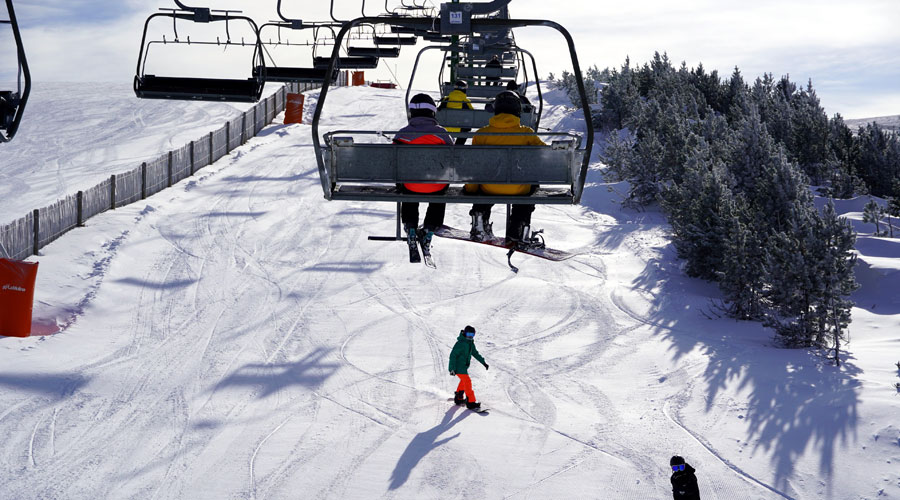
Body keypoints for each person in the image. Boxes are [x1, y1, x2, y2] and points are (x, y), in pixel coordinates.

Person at [466, 90, 546, 244]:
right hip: (519, 189)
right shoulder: (526, 133)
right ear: (518, 111)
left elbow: (474, 166)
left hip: (489, 188)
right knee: (527, 195)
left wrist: (471, 189)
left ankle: (479, 218)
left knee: (483, 185)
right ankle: (518, 229)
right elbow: (546, 155)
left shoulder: (481, 134)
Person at [393, 93, 453, 250]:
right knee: (439, 194)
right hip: (436, 187)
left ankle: (410, 226)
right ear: (432, 112)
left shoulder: (402, 134)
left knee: (408, 190)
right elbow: (453, 157)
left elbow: (392, 161)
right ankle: (430, 228)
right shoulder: (442, 134)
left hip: (411, 186)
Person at [449, 325, 489, 410]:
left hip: (463, 367)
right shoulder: (460, 343)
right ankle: (471, 402)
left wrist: (483, 362)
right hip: (458, 367)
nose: (470, 336)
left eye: (472, 334)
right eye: (468, 334)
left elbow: (475, 353)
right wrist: (452, 368)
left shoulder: (470, 343)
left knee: (464, 381)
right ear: (464, 333)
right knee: (467, 381)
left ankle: (459, 398)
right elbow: (453, 356)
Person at [437, 79, 474, 145]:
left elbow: (439, 110)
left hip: (446, 128)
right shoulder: (465, 101)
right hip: (459, 128)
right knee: (465, 132)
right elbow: (472, 113)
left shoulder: (446, 99)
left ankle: (447, 145)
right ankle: (458, 146)